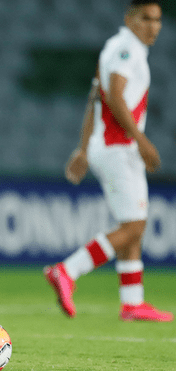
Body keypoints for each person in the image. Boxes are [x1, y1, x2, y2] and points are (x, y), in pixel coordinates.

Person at [46, 0, 172, 322]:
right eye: (146, 18)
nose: (153, 26)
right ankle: (66, 270)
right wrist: (143, 142)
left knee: (133, 227)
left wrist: (84, 148)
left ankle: (132, 303)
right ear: (130, 18)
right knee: (133, 227)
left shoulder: (116, 47)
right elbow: (114, 96)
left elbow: (94, 97)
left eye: (158, 20)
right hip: (120, 147)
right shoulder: (127, 49)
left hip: (112, 146)